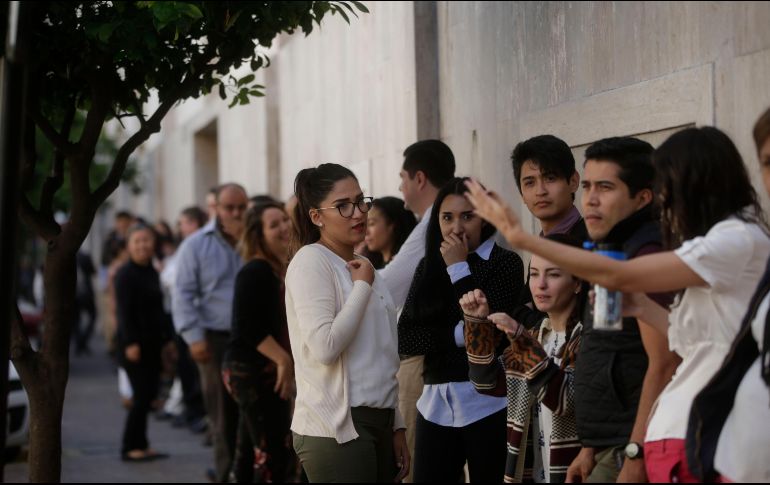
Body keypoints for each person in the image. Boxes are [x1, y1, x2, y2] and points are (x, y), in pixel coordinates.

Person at [466, 127, 770, 483]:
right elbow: (686, 341)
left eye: (668, 186)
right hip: (669, 434)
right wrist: (640, 306)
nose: (663, 200)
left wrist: (520, 237)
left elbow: (658, 350)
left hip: (693, 434)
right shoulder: (709, 243)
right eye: (589, 187)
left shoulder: (735, 238)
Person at [286, 163, 409, 483]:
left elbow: (383, 351)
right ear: (317, 216)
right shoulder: (310, 261)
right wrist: (361, 288)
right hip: (336, 426)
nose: (358, 213)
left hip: (380, 419)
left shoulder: (363, 264)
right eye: (343, 206)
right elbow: (325, 348)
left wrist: (396, 422)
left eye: (360, 201)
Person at [398, 177, 524, 483]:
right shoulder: (428, 265)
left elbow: (492, 334)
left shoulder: (505, 263)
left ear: (485, 218)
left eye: (468, 216)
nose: (456, 228)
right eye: (447, 218)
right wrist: (460, 334)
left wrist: (458, 268)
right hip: (435, 402)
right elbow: (406, 337)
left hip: (489, 402)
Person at [686, 108, 770, 483]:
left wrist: (523, 238)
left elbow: (621, 273)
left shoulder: (739, 237)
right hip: (739, 461)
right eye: (768, 163)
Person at [460, 234, 586, 482]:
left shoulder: (587, 338)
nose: (540, 285)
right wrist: (476, 323)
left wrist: (520, 337)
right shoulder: (536, 335)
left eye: (553, 274)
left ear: (578, 283)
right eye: (534, 274)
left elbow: (565, 401)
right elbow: (486, 382)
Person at [380, 139, 456, 482]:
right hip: (441, 358)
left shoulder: (432, 223)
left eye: (403, 178)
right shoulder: (431, 221)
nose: (401, 188)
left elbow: (388, 287)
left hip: (425, 359)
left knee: (413, 466)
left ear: (420, 178)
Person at [174, 184, 248, 482]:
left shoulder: (254, 239)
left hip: (255, 339)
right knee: (222, 414)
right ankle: (225, 473)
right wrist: (194, 337)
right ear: (215, 208)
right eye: (229, 207)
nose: (236, 213)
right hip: (214, 339)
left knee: (253, 413)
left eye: (241, 207)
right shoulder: (194, 245)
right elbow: (182, 294)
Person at [222, 202, 296, 483]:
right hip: (251, 371)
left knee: (248, 451)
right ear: (259, 234)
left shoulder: (278, 269)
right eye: (274, 225)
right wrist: (283, 359)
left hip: (262, 370)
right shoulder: (255, 270)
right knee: (271, 451)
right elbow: (246, 326)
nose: (284, 227)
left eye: (285, 220)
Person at [509, 135, 588, 330]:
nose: (540, 191)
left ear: (573, 181)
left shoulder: (589, 242)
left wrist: (535, 317)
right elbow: (518, 310)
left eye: (550, 178)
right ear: (521, 194)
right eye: (530, 182)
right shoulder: (541, 245)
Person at [114, 224, 175, 461]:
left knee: (148, 395)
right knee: (140, 397)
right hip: (134, 346)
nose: (143, 245)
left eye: (146, 240)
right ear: (129, 246)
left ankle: (142, 443)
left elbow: (158, 309)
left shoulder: (151, 271)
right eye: (137, 241)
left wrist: (167, 340)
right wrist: (131, 342)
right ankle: (129, 446)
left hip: (152, 344)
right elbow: (124, 313)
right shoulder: (125, 275)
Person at [160, 206, 208, 432]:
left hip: (195, 316)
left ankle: (196, 410)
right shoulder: (186, 246)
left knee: (194, 369)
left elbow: (174, 279)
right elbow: (169, 277)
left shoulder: (198, 245)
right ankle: (189, 408)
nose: (180, 228)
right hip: (181, 315)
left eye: (184, 223)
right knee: (185, 368)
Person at [364, 196, 417, 269]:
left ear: (393, 225)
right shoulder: (368, 265)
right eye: (363, 225)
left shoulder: (405, 266)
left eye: (371, 224)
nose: (365, 232)